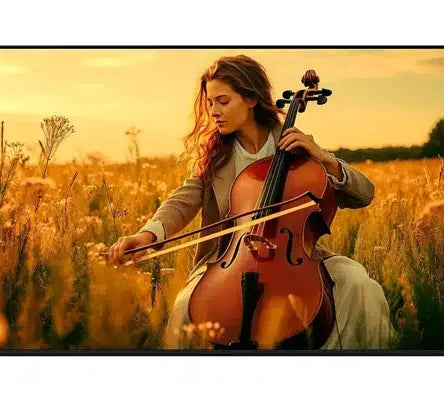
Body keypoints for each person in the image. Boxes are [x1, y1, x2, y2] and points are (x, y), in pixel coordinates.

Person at [107, 55, 396, 349]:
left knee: (359, 284)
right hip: (227, 261)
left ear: (250, 99)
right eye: (210, 103)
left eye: (223, 101)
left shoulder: (293, 144)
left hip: (296, 257)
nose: (213, 111)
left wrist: (324, 158)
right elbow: (183, 200)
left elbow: (364, 194)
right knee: (184, 307)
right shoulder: (215, 155)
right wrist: (147, 234)